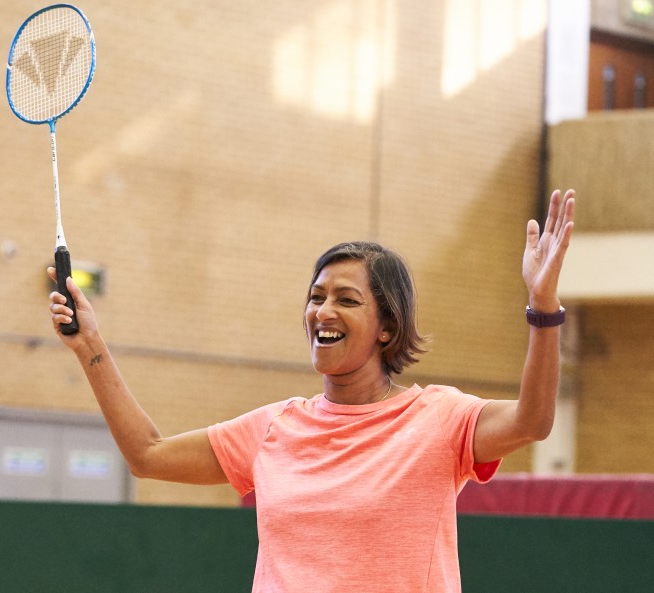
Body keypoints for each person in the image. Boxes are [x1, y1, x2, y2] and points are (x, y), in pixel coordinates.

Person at [47, 190, 576, 592]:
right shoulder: (273, 428)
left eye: (346, 299)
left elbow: (532, 422)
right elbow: (147, 454)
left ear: (387, 327)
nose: (323, 311)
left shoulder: (438, 418)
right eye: (316, 296)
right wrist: (89, 344)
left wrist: (543, 304)